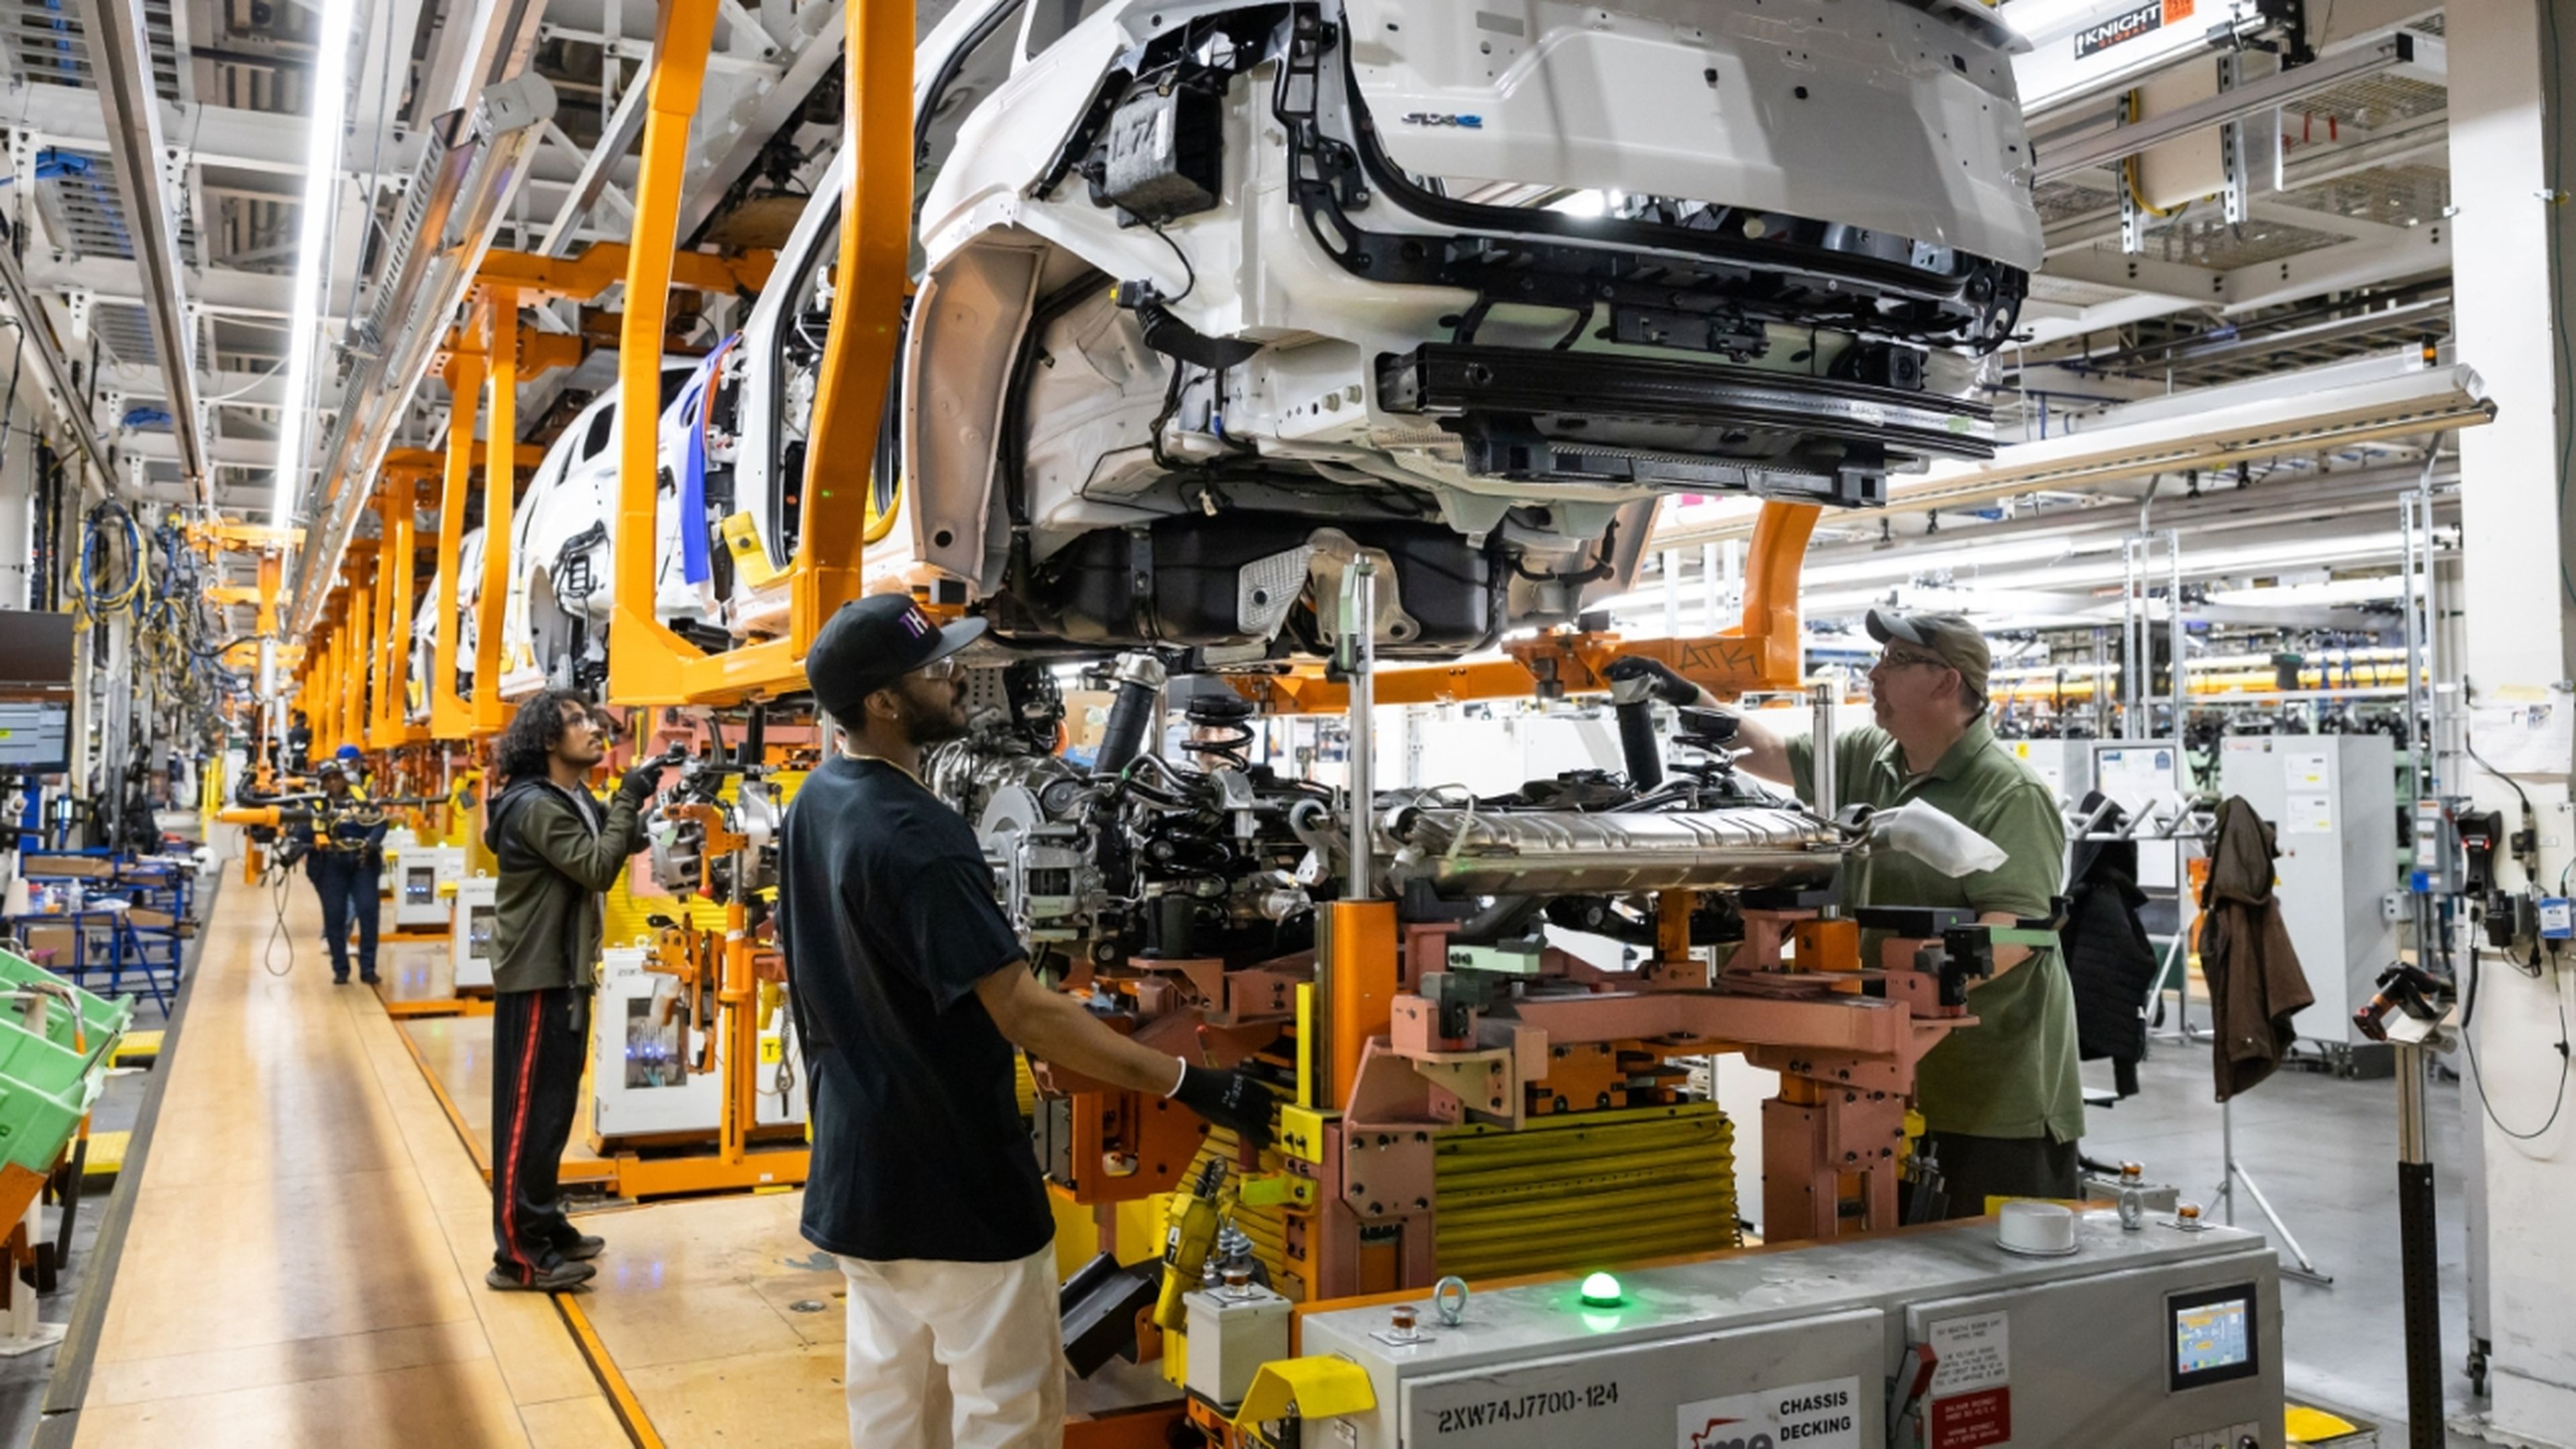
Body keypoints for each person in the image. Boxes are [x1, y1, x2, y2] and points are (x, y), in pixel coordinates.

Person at [779, 593, 1276, 1449]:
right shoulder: (921, 835)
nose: (958, 680)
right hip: (956, 1192)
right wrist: (1192, 1084)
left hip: (858, 1178)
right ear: (884, 704)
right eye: (935, 671)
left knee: (896, 1415)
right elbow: (1024, 1011)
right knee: (1008, 1417)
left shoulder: (818, 802)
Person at [1609, 608, 2083, 1216]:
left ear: (1948, 682)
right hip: (1881, 1078)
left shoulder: (2009, 793)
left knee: (1990, 1275)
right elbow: (1771, 750)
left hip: (1991, 1092)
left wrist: (1926, 974)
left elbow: (2017, 933)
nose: (1875, 674)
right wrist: (1682, 694)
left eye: (1896, 661)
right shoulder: (1870, 754)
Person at [482, 690, 666, 1291]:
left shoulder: (569, 798)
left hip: (564, 971)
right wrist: (629, 798)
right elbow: (594, 867)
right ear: (545, 742)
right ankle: (518, 1254)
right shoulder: (535, 806)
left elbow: (608, 848)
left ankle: (544, 1220)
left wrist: (651, 818)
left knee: (555, 1109)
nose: (594, 729)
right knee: (526, 1116)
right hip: (537, 973)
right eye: (578, 722)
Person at [297, 761, 387, 985]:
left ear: (344, 778)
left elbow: (380, 821)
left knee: (368, 911)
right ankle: (340, 969)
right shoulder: (317, 805)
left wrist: (372, 842)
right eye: (328, 779)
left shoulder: (361, 800)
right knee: (334, 916)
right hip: (331, 865)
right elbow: (302, 832)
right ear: (323, 783)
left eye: (336, 777)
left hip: (362, 863)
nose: (333, 782)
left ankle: (368, 968)